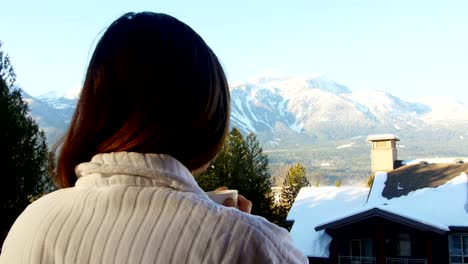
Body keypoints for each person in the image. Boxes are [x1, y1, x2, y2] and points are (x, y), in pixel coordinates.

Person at [0, 12, 307, 263]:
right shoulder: (256, 248)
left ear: (95, 109)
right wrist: (231, 230)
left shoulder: (29, 227)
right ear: (204, 119)